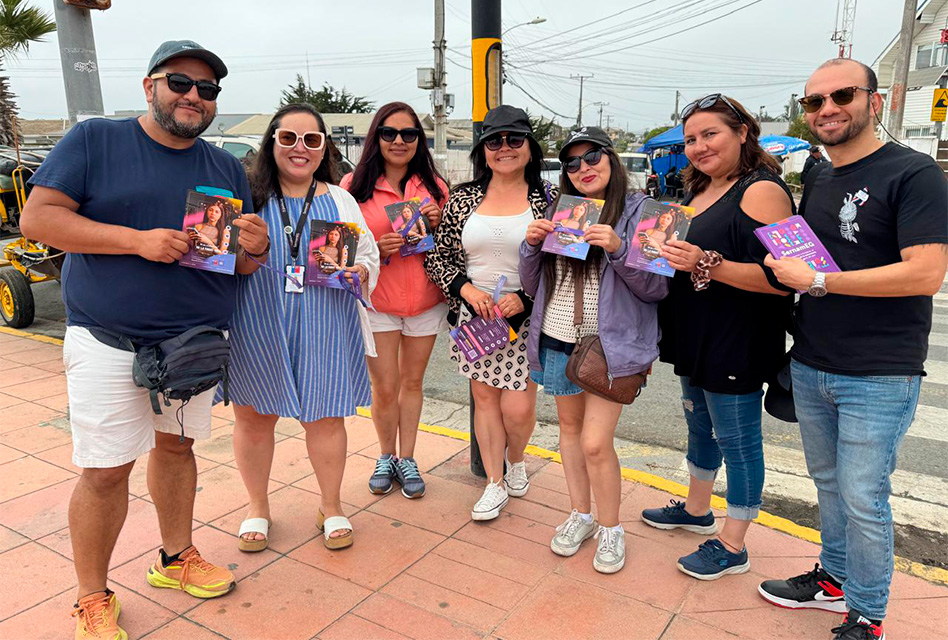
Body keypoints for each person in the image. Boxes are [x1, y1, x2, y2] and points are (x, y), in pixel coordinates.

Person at [20, 41, 270, 640]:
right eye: (180, 83)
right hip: (108, 339)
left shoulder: (223, 167)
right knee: (106, 471)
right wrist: (137, 241)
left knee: (177, 451)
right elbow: (39, 219)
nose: (193, 96)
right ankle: (91, 595)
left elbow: (232, 266)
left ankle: (174, 558)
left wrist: (254, 251)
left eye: (207, 90)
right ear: (149, 86)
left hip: (191, 345)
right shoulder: (95, 141)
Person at [760, 59, 947, 640]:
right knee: (829, 483)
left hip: (880, 371)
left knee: (865, 496)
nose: (826, 109)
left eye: (841, 95)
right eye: (813, 101)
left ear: (875, 99)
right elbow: (817, 257)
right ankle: (835, 577)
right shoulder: (817, 174)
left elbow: (925, 274)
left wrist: (818, 281)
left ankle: (867, 615)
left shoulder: (914, 174)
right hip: (814, 360)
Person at [641, 94, 795, 580]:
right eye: (691, 139)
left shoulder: (762, 191)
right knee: (698, 425)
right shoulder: (697, 190)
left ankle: (733, 543)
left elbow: (788, 277)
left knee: (739, 439)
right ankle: (696, 509)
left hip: (738, 337)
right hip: (694, 332)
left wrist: (706, 263)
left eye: (710, 134)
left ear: (743, 132)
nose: (699, 146)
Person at [227, 103, 379, 553]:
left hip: (325, 322)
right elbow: (214, 260)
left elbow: (367, 254)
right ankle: (257, 505)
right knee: (253, 418)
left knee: (327, 417)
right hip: (258, 321)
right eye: (288, 138)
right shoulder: (245, 197)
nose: (300, 149)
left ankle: (331, 506)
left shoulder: (339, 199)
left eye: (311, 140)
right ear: (271, 142)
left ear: (324, 148)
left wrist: (362, 273)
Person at [520, 127, 667, 573]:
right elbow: (534, 286)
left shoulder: (647, 212)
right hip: (559, 339)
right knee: (568, 432)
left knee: (596, 442)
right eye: (572, 163)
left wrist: (621, 249)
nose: (583, 168)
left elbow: (657, 288)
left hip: (610, 349)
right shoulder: (561, 211)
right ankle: (580, 515)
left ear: (612, 158)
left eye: (592, 157)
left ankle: (611, 527)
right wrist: (529, 247)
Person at [425, 105, 555, 520]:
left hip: (527, 318)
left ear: (530, 148)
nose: (504, 148)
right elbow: (439, 257)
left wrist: (527, 299)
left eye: (514, 140)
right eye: (494, 141)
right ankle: (494, 483)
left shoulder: (549, 201)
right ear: (483, 151)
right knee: (484, 401)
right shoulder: (463, 198)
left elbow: (565, 264)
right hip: (476, 316)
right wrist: (465, 290)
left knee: (518, 410)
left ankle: (516, 460)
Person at [341, 102, 448, 499]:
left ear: (420, 140)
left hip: (425, 300)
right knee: (384, 387)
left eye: (409, 134)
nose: (399, 141)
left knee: (412, 383)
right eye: (389, 133)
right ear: (376, 137)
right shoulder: (353, 186)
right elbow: (342, 252)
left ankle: (408, 457)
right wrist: (378, 251)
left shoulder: (435, 186)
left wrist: (440, 222)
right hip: (377, 301)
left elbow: (453, 249)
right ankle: (385, 455)